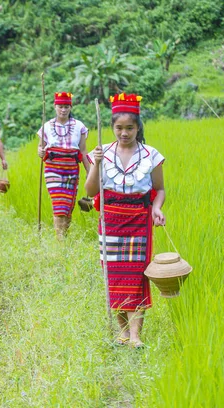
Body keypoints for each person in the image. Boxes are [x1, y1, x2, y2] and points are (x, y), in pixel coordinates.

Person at [84, 93, 166, 348]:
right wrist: (96, 164)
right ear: (112, 128)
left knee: (136, 277)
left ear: (138, 127)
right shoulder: (102, 153)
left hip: (138, 223)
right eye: (119, 128)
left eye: (129, 128)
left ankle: (136, 336)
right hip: (111, 222)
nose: (124, 133)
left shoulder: (151, 155)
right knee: (115, 277)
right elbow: (90, 191)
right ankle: (122, 332)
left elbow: (160, 189)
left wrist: (157, 208)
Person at [38, 92, 90, 239]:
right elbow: (40, 147)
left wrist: (89, 171)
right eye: (60, 106)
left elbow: (83, 150)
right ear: (55, 107)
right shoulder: (46, 126)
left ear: (70, 107)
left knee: (68, 205)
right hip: (53, 168)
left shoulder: (79, 126)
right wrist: (40, 152)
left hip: (72, 169)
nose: (63, 110)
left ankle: (64, 235)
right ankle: (59, 238)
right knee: (59, 203)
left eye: (66, 106)